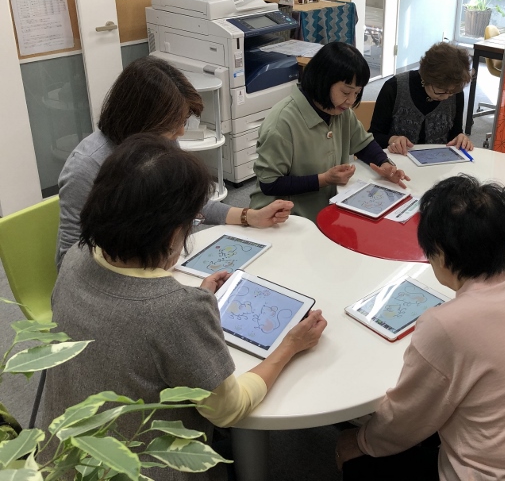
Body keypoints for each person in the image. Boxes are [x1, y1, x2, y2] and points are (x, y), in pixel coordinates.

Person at [43, 134, 327, 481]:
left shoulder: (76, 257)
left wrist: (195, 299)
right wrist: (290, 346)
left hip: (64, 457)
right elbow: (230, 410)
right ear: (170, 234)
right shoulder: (176, 310)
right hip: (140, 468)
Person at [335, 175, 505, 481]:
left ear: (441, 255)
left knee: (351, 450)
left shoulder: (445, 325)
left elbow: (403, 422)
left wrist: (360, 440)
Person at [56, 56, 293, 268]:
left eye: (183, 121)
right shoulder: (87, 167)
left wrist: (249, 216)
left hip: (159, 264)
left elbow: (190, 203)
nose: (180, 132)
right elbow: (68, 260)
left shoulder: (160, 142)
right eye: (172, 124)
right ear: (141, 121)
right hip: (121, 277)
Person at [250, 42, 410, 220]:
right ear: (323, 81)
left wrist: (385, 164)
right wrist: (324, 179)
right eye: (346, 92)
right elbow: (270, 183)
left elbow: (363, 144)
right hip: (282, 217)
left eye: (357, 93)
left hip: (328, 205)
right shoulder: (282, 123)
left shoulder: (340, 111)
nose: (351, 101)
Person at [369, 42, 474, 155]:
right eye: (441, 91)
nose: (446, 97)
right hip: (398, 159)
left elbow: (455, 132)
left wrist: (460, 138)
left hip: (438, 159)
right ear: (426, 78)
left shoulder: (455, 91)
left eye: (451, 92)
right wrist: (392, 139)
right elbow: (374, 136)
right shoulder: (394, 87)